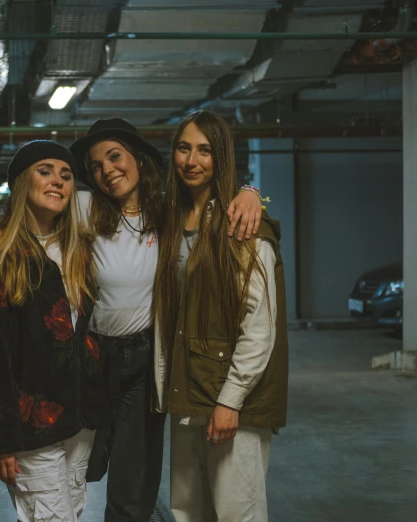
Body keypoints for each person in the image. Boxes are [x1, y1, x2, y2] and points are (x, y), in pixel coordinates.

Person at [0, 118, 264, 522]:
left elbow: (215, 197)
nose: (107, 170)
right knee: (75, 469)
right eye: (95, 166)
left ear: (138, 160)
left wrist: (250, 192)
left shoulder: (168, 209)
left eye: (115, 157)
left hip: (145, 360)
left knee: (135, 480)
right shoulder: (84, 207)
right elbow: (36, 207)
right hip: (91, 357)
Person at [0, 140, 108, 522]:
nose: (57, 181)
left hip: (79, 417)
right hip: (30, 426)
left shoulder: (79, 249)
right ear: (22, 182)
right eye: (45, 171)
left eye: (66, 174)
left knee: (71, 512)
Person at [153, 111, 288, 522]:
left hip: (231, 398)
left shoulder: (244, 225)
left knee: (236, 512)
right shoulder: (171, 220)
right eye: (183, 148)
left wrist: (230, 401)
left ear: (221, 158)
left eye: (205, 150)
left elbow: (259, 328)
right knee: (188, 511)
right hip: (188, 389)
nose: (192, 160)